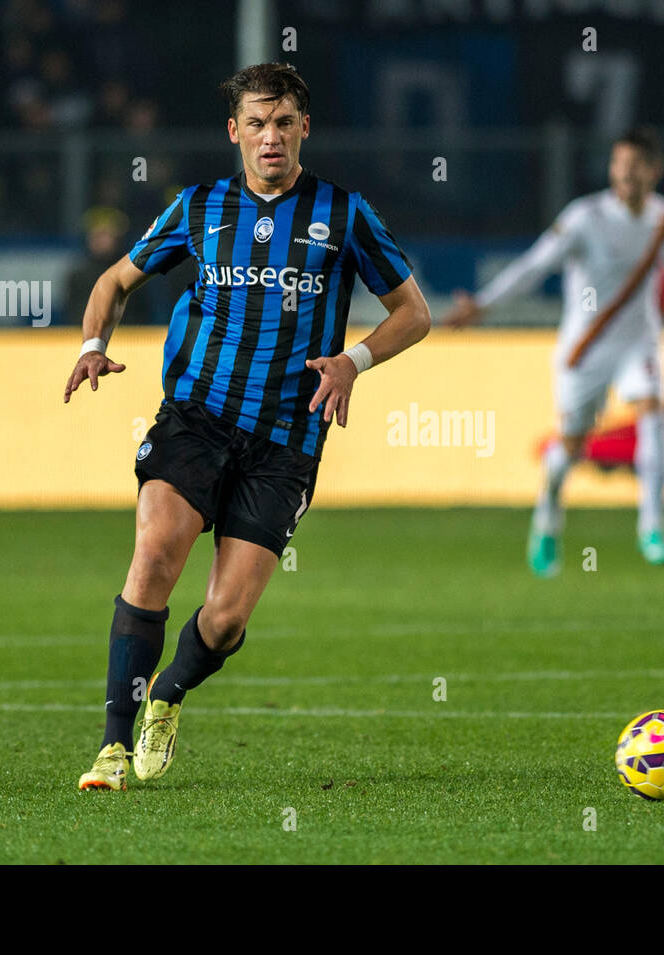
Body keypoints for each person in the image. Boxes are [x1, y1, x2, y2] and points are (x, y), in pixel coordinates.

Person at [65, 63, 430, 790]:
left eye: (284, 123)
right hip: (196, 418)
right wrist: (92, 344)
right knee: (155, 552)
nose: (271, 138)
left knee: (226, 617)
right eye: (257, 124)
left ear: (303, 129)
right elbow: (114, 281)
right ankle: (110, 744)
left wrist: (354, 360)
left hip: (286, 441)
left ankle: (165, 695)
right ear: (235, 132)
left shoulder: (345, 214)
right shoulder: (198, 209)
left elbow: (414, 313)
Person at [442, 127, 664, 576]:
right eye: (619, 165)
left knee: (653, 413)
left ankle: (653, 528)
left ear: (654, 171)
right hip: (585, 348)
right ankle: (547, 522)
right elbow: (534, 264)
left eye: (636, 166)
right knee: (571, 446)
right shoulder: (585, 217)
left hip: (638, 341)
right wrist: (484, 304)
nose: (626, 173)